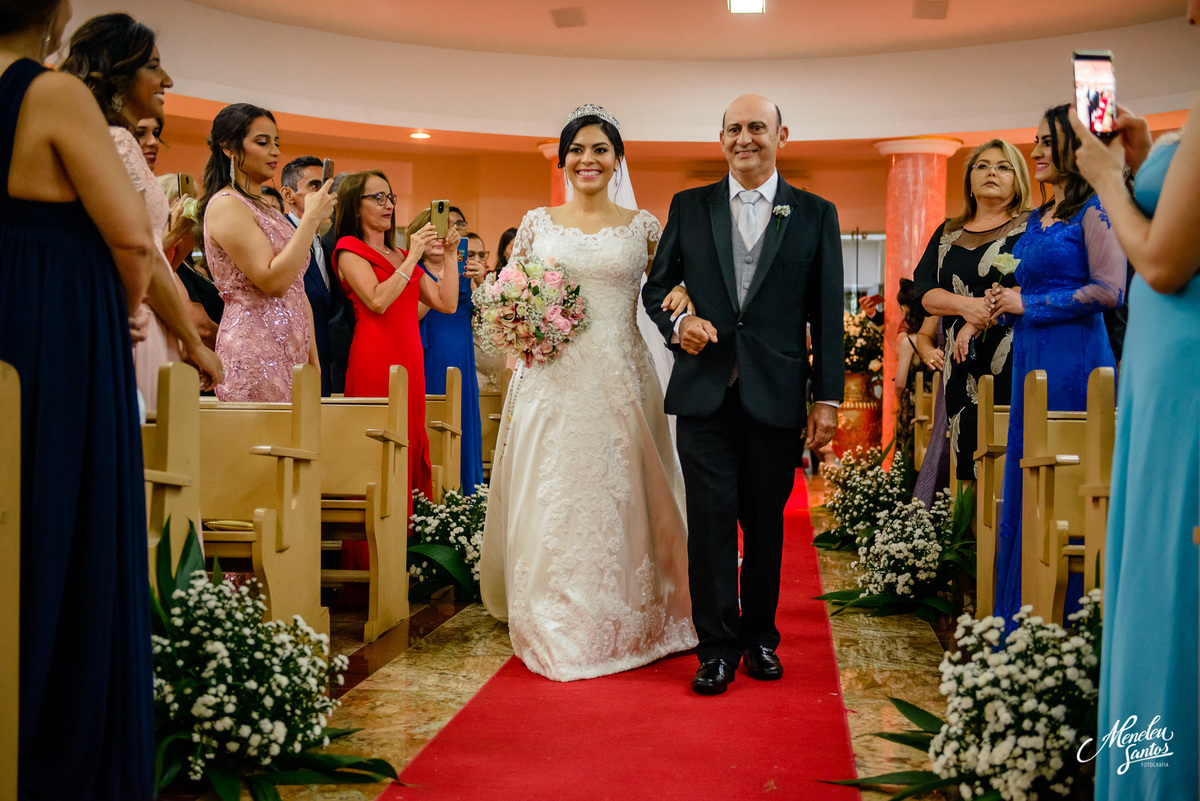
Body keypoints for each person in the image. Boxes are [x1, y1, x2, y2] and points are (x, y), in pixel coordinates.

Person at [0, 1, 164, 795]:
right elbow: (132, 234)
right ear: (58, 10)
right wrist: (127, 309)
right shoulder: (50, 91)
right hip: (57, 326)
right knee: (65, 522)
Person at [480, 104, 697, 682]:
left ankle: (632, 614)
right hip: (550, 379)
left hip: (621, 376)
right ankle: (551, 616)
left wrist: (687, 303)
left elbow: (673, 289)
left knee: (623, 493)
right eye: (577, 149)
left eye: (600, 149)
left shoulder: (644, 226)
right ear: (562, 159)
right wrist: (519, 327)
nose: (588, 159)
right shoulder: (537, 223)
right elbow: (512, 294)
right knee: (553, 493)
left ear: (618, 159)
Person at [643, 94, 844, 695]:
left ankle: (760, 637)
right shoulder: (689, 205)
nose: (745, 138)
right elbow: (655, 291)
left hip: (776, 394)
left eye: (758, 127)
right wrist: (680, 326)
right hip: (704, 392)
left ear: (783, 135)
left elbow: (826, 315)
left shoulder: (815, 213)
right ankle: (717, 648)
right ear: (720, 138)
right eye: (735, 128)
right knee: (708, 523)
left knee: (765, 523)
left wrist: (827, 398)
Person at [1070, 15, 1200, 794]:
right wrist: (1150, 161)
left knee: (1168, 579)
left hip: (1181, 374)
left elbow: (1162, 260)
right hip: (1163, 366)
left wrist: (1108, 177)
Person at [990, 105, 1126, 628]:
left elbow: (1110, 289)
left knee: (1064, 482)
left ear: (1074, 147)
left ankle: (1069, 620)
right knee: (1030, 477)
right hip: (1029, 357)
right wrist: (1010, 302)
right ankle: (1023, 612)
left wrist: (1032, 305)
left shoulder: (1095, 209)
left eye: (1048, 142)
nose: (1037, 151)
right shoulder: (1034, 218)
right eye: (1036, 141)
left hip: (1076, 362)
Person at [61, 14, 222, 411]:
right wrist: (191, 339)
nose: (166, 80)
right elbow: (139, 250)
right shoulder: (116, 141)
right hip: (138, 314)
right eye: (153, 66)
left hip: (148, 310)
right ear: (117, 74)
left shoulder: (107, 138)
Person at [333, 170, 458, 534]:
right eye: (378, 198)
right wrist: (412, 258)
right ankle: (371, 554)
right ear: (356, 206)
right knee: (378, 449)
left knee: (409, 440)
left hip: (410, 358)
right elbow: (377, 300)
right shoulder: (348, 249)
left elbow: (446, 302)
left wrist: (449, 255)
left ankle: (408, 552)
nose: (388, 205)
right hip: (374, 357)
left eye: (390, 198)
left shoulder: (402, 255)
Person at [913, 138, 1031, 482]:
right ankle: (966, 535)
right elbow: (926, 293)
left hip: (1012, 357)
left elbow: (1033, 283)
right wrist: (968, 307)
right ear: (969, 178)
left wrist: (982, 318)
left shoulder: (1030, 226)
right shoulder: (947, 232)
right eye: (982, 166)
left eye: (1003, 166)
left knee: (1007, 461)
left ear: (1018, 178)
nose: (991, 172)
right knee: (964, 457)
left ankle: (1006, 535)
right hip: (960, 364)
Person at [200, 103, 335, 401]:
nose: (275, 152)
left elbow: (296, 288)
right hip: (255, 348)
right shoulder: (227, 205)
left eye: (276, 143)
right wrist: (310, 220)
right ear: (228, 148)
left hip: (293, 351)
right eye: (262, 142)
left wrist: (312, 357)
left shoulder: (267, 210)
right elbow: (273, 281)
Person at [419, 214, 483, 495]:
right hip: (429, 353)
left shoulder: (466, 273)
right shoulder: (414, 272)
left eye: (445, 234)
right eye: (431, 233)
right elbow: (413, 315)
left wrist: (480, 282)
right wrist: (443, 275)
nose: (439, 239)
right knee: (433, 424)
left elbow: (486, 323)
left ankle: (467, 500)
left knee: (463, 423)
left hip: (462, 357)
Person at [281, 155, 344, 396]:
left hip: (328, 368)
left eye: (329, 186)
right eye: (315, 186)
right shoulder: (281, 238)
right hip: (294, 366)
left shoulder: (330, 243)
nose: (325, 193)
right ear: (288, 195)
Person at [467, 232, 507, 394]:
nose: (477, 259)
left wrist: (480, 282)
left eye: (481, 255)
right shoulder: (457, 287)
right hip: (472, 371)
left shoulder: (494, 285)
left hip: (498, 372)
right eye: (471, 254)